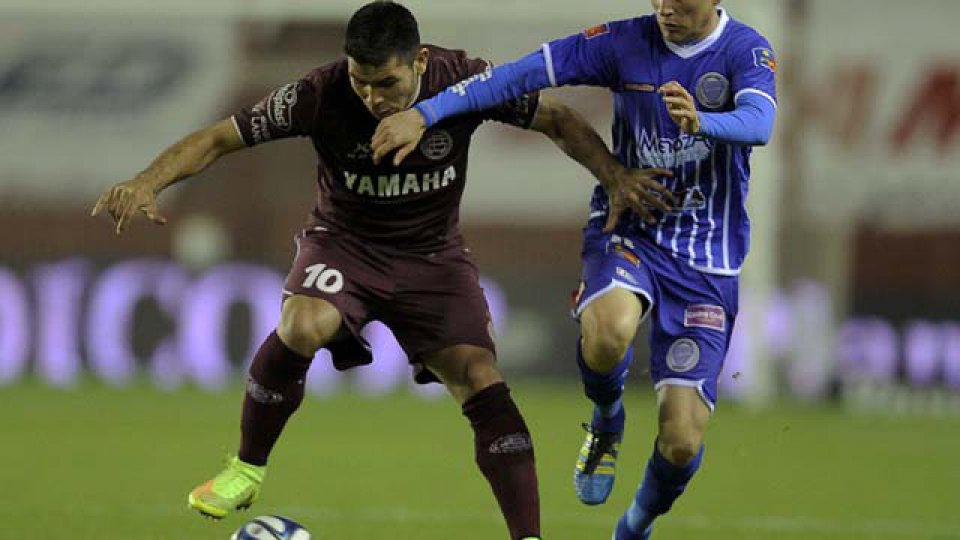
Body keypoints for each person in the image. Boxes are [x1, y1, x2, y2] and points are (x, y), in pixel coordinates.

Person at [90, 2, 649, 539]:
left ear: (420, 63)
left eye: (387, 84)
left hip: (433, 258)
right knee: (303, 323)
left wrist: (615, 176)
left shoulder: (464, 80)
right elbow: (219, 137)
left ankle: (527, 537)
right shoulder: (319, 93)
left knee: (480, 376)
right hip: (345, 248)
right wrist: (147, 181)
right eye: (362, 81)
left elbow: (557, 118)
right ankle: (246, 469)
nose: (371, 96)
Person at [371, 1, 777, 538]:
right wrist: (425, 113)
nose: (664, 8)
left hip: (707, 260)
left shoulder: (745, 50)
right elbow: (520, 74)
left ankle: (634, 525)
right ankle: (607, 417)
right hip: (630, 226)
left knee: (681, 443)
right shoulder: (624, 41)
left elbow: (760, 122)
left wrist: (705, 121)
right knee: (610, 332)